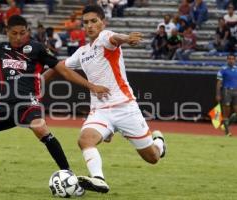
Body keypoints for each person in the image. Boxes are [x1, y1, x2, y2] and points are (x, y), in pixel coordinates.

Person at [0, 15, 109, 191]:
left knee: (40, 128)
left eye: (22, 33)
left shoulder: (37, 49)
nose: (18, 37)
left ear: (28, 32)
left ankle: (68, 175)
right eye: (14, 33)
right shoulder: (0, 49)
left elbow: (62, 69)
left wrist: (90, 85)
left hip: (28, 103)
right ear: (6, 32)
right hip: (3, 105)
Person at [44, 5, 166, 193]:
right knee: (85, 140)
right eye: (85, 23)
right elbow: (59, 67)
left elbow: (115, 38)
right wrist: (38, 81)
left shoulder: (104, 38)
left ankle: (159, 142)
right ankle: (99, 179)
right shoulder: (82, 52)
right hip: (100, 111)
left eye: (94, 21)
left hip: (125, 108)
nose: (90, 25)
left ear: (103, 22)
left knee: (152, 158)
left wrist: (126, 39)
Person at [216, 54, 237, 136]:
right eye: (229, 59)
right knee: (226, 113)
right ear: (227, 60)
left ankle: (225, 125)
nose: (231, 60)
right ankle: (227, 132)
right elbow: (218, 83)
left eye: (232, 59)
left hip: (236, 91)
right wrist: (218, 94)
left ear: (235, 60)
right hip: (226, 91)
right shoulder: (222, 70)